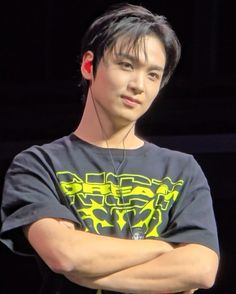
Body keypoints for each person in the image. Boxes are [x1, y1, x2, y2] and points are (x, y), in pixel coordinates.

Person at [0, 3, 219, 294]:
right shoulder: (38, 164)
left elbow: (201, 270)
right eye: (127, 65)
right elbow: (65, 254)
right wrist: (164, 248)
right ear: (89, 65)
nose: (139, 85)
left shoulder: (182, 169)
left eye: (153, 75)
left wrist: (89, 274)